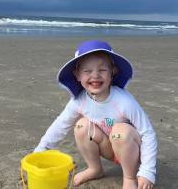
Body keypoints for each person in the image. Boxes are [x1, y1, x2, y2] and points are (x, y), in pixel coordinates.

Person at [34, 40, 157, 189]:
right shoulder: (79, 101)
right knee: (81, 126)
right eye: (87, 71)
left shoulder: (124, 101)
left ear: (113, 72)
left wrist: (147, 171)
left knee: (120, 131)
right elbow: (60, 125)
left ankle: (129, 177)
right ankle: (95, 169)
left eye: (102, 70)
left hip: (130, 150)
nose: (95, 76)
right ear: (77, 75)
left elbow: (148, 133)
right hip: (108, 148)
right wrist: (40, 152)